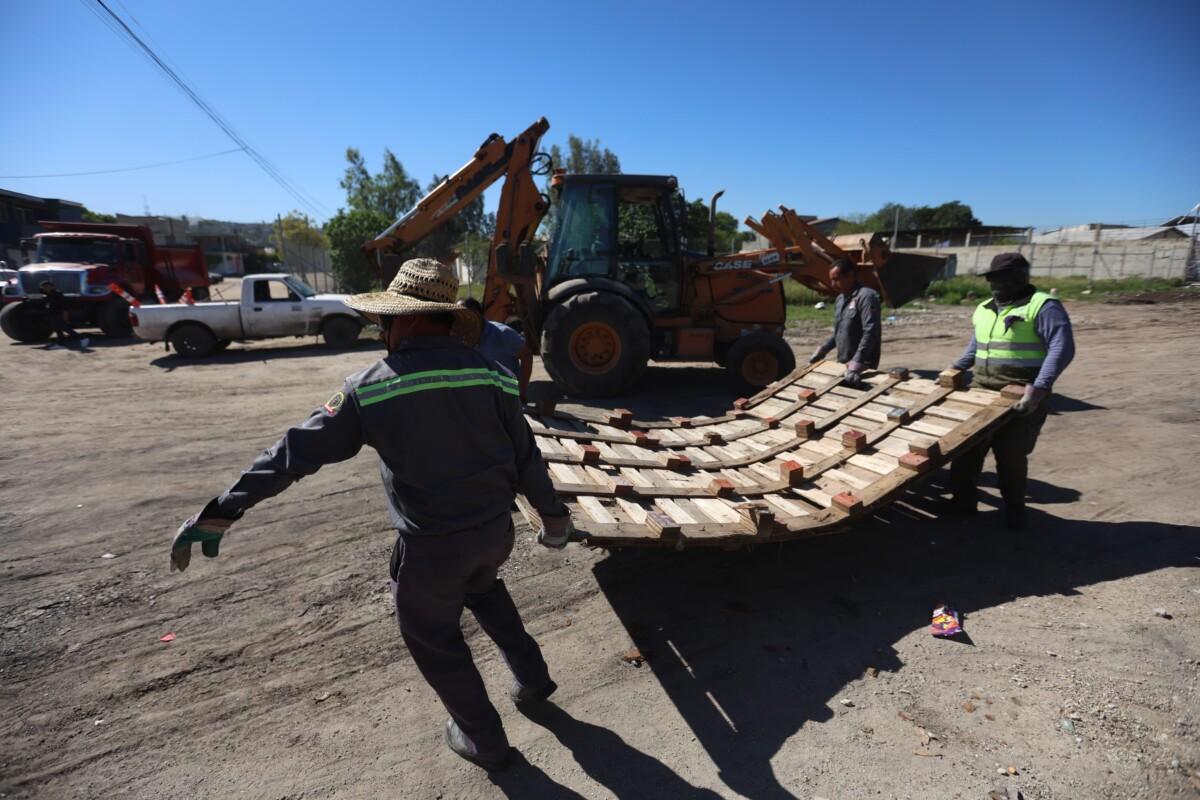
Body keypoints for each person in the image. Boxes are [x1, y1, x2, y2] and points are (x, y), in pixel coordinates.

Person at [170, 258, 574, 772]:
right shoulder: (493, 375)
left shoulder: (371, 386)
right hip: (494, 534)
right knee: (484, 587)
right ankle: (533, 679)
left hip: (432, 550)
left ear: (404, 320)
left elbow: (293, 453)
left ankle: (483, 741)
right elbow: (526, 457)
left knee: (435, 639)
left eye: (383, 321)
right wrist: (554, 517)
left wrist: (223, 510)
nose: (381, 331)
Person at [943, 252, 1075, 529]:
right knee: (965, 450)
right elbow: (976, 346)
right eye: (993, 278)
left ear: (1020, 278)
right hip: (981, 391)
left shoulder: (1042, 306)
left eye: (1002, 278)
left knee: (1010, 456)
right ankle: (963, 503)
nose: (996, 284)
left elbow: (1062, 348)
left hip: (1019, 394)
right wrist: (954, 369)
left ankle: (1015, 511)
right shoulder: (985, 308)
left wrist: (1039, 389)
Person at [808, 257, 880, 385]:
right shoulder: (840, 299)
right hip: (844, 363)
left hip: (862, 367)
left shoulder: (866, 297)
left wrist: (857, 363)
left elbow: (870, 331)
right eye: (831, 280)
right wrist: (823, 349)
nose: (832, 284)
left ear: (850, 276)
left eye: (836, 279)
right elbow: (840, 331)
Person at [460, 297, 533, 402]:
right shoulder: (463, 337)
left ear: (477, 315)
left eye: (465, 317)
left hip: (507, 397)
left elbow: (527, 356)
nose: (462, 322)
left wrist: (521, 391)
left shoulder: (502, 334)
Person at [40, 280, 89, 349]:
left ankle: (82, 338)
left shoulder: (57, 294)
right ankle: (61, 343)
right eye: (43, 287)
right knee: (57, 329)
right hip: (52, 314)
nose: (45, 288)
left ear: (52, 287)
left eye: (47, 286)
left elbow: (64, 305)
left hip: (58, 313)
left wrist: (65, 315)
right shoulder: (46, 295)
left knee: (65, 328)